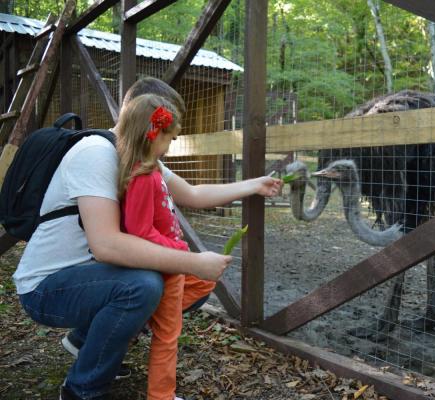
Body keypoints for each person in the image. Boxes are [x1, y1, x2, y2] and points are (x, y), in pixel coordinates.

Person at [12, 77, 281, 400]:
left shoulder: (140, 159)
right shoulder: (97, 154)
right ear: (139, 115)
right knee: (143, 285)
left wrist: (253, 185)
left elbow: (193, 194)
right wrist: (193, 260)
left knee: (181, 283)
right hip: (46, 287)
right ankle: (82, 389)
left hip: (90, 278)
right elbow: (107, 245)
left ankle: (85, 341)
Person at [117, 93, 209, 400]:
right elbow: (138, 231)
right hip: (165, 264)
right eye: (168, 139)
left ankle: (145, 317)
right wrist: (175, 249)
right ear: (151, 134)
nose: (170, 146)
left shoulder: (154, 169)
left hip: (172, 260)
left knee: (205, 280)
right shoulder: (143, 177)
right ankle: (162, 396)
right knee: (168, 337)